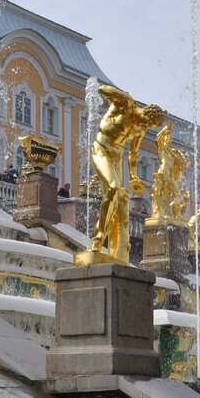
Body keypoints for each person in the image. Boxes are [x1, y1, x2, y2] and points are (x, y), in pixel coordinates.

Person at [85, 83, 164, 263]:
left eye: (150, 126)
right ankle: (97, 240)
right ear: (145, 112)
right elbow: (102, 89)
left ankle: (118, 253)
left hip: (117, 159)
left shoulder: (140, 129)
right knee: (113, 189)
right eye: (148, 121)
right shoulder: (126, 105)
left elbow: (134, 152)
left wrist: (134, 174)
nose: (146, 126)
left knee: (121, 199)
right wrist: (123, 96)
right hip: (101, 150)